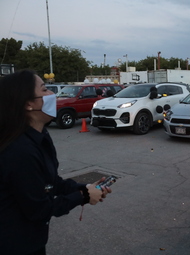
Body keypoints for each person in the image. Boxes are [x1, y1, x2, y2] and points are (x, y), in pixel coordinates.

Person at [0, 70, 112, 255]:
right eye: (45, 90)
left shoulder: (40, 136)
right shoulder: (19, 151)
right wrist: (83, 196)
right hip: (15, 244)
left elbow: (51, 183)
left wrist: (86, 187)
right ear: (28, 104)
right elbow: (39, 209)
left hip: (32, 239)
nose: (53, 94)